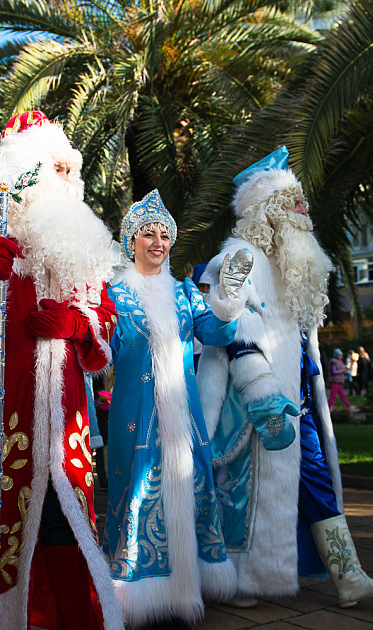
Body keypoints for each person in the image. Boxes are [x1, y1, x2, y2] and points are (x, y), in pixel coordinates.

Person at [0, 111, 121, 630]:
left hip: (65, 420)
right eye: (56, 167)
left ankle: (69, 616)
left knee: (66, 523)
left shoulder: (83, 245)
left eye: (71, 169)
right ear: (28, 170)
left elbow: (106, 317)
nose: (69, 179)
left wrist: (80, 326)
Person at [197, 147, 373, 608]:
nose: (305, 212)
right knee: (243, 490)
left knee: (314, 476)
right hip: (249, 400)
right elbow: (233, 332)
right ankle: (238, 577)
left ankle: (348, 577)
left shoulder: (293, 262)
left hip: (300, 396)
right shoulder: (238, 257)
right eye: (295, 202)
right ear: (268, 210)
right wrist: (262, 393)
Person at [105, 190, 247, 628]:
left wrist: (229, 298)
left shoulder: (185, 293)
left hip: (185, 421)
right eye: (148, 234)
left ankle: (190, 581)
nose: (158, 242)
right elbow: (99, 351)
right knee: (137, 489)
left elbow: (218, 334)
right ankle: (137, 587)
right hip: (135, 417)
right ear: (131, 242)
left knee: (193, 487)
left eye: (165, 235)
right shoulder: (113, 295)